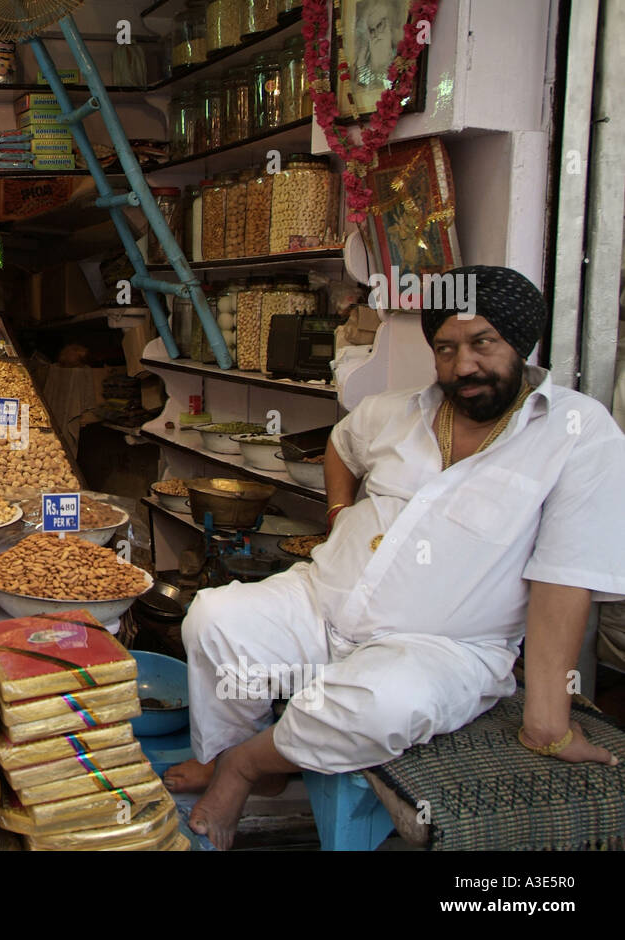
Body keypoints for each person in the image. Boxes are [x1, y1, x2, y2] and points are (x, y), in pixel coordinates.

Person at [163, 265, 625, 849]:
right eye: (446, 348)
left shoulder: (578, 435)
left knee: (380, 706)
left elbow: (565, 579)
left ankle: (247, 766)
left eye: (483, 343)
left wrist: (548, 724)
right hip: (320, 598)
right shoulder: (395, 411)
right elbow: (339, 444)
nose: (463, 367)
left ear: (522, 342)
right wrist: (338, 514)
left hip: (442, 645)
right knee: (213, 617)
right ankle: (223, 750)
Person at [355, 0, 400, 90]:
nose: (375, 34)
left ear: (389, 25)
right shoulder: (363, 65)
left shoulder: (401, 57)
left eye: (379, 25)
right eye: (371, 30)